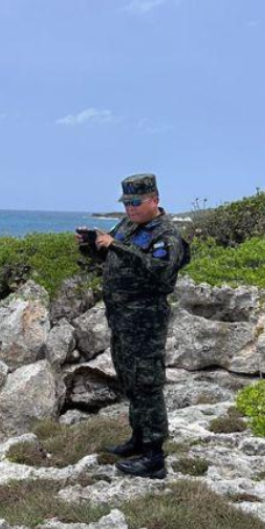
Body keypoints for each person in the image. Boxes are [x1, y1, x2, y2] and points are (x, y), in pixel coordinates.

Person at [76, 173, 189, 479]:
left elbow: (160, 272)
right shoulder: (127, 226)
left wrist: (117, 247)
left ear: (155, 199)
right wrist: (92, 246)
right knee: (129, 380)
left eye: (136, 202)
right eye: (126, 203)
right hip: (122, 320)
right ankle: (138, 438)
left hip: (146, 322)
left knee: (148, 384)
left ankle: (154, 457)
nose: (130, 209)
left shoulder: (166, 234)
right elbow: (110, 258)